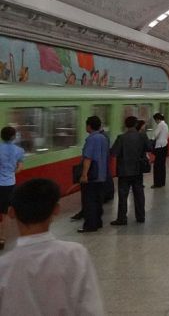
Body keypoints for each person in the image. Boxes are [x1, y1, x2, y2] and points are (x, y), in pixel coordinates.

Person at [0, 179, 105, 315]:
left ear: (11, 212)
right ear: (56, 209)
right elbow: (91, 310)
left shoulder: (4, 266)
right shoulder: (75, 255)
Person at [110, 116, 148, 225]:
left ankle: (122, 218)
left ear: (126, 125)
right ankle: (140, 217)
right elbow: (149, 148)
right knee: (139, 193)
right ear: (136, 125)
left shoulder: (121, 137)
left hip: (124, 171)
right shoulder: (142, 136)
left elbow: (114, 153)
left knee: (123, 195)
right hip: (138, 169)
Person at [78, 116, 109, 233]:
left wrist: (84, 174)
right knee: (98, 199)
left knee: (89, 200)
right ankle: (98, 222)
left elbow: (88, 158)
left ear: (89, 126)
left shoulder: (91, 139)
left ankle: (90, 225)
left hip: (92, 175)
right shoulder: (103, 138)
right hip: (101, 174)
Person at [0, 126, 24, 249]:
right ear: (14, 136)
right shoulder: (19, 150)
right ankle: (2, 239)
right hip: (9, 184)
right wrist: (10, 171)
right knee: (5, 213)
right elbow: (19, 169)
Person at [151, 113, 169, 189]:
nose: (155, 122)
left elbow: (155, 135)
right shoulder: (165, 125)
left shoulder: (160, 125)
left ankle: (157, 183)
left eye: (155, 120)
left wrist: (151, 140)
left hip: (160, 146)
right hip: (165, 145)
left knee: (157, 166)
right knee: (162, 165)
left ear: (157, 119)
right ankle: (162, 182)